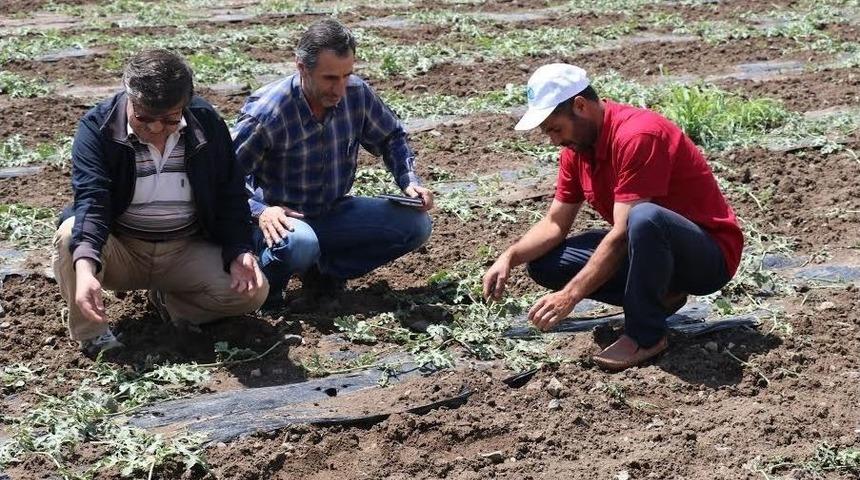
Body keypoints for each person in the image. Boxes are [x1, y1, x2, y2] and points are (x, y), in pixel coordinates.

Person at [483, 64, 743, 371]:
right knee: (546, 264)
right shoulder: (577, 150)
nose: (554, 141)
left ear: (580, 106)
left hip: (706, 257)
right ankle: (663, 295)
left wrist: (570, 295)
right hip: (652, 251)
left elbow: (622, 233)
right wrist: (508, 257)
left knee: (645, 218)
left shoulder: (637, 135)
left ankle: (645, 335)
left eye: (556, 129)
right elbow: (555, 223)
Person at [53, 49, 268, 356]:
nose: (155, 129)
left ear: (186, 104)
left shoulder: (206, 123)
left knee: (252, 292)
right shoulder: (97, 128)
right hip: (122, 250)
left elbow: (229, 194)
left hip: (183, 249)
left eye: (169, 120)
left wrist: (239, 250)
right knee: (70, 236)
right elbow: (93, 199)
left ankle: (170, 303)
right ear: (129, 97)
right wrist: (86, 271)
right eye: (144, 118)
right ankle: (94, 336)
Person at [233, 18, 433, 311]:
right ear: (302, 67)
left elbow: (391, 137)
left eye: (346, 76)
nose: (340, 88)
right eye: (329, 78)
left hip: (332, 210)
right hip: (281, 222)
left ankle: (323, 273)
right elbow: (225, 176)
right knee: (299, 243)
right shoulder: (268, 112)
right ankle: (266, 296)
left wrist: (409, 181)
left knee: (416, 225)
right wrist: (261, 211)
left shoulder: (356, 94)